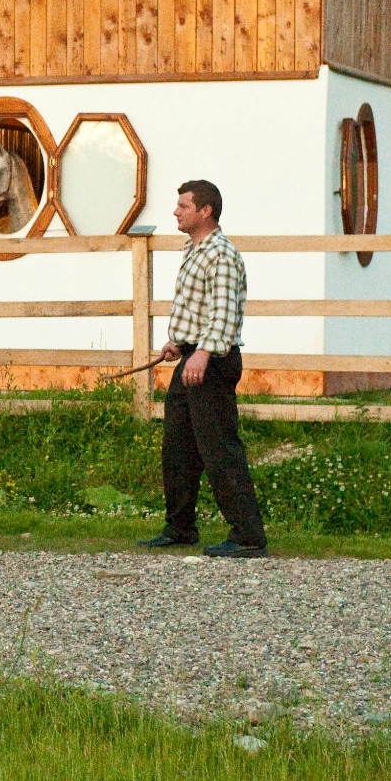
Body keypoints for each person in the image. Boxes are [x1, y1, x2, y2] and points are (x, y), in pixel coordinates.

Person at [139, 179, 268, 558]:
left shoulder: (221, 255)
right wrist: (179, 343)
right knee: (177, 447)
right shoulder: (194, 250)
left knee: (220, 450)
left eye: (183, 206)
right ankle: (180, 528)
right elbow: (200, 308)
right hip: (194, 357)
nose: (176, 212)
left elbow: (224, 314)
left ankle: (248, 536)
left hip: (211, 363)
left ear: (205, 211)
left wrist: (204, 353)